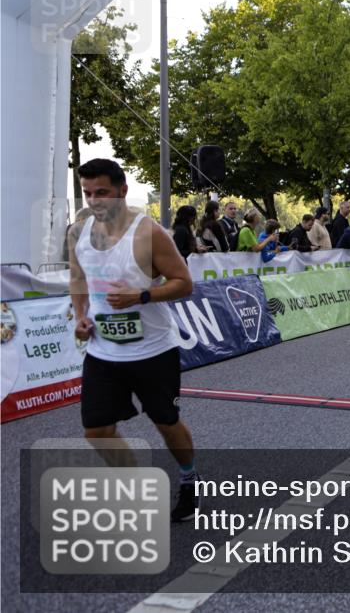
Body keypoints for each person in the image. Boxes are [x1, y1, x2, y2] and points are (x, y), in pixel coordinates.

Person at [67, 158, 199, 521]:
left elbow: (184, 283)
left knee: (165, 422)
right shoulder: (78, 233)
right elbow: (78, 280)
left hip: (153, 349)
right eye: (88, 193)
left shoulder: (149, 233)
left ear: (123, 191)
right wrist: (80, 316)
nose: (94, 201)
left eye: (102, 192)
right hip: (103, 350)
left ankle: (189, 478)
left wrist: (141, 296)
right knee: (96, 430)